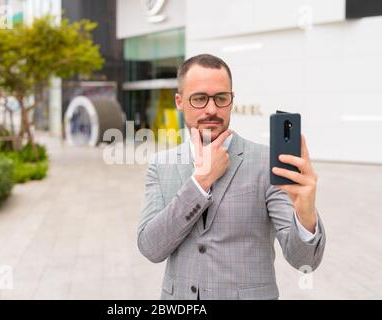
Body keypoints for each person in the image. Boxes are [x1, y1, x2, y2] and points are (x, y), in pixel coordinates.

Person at [137, 54, 326, 300]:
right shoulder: (161, 166)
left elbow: (305, 261)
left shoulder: (266, 162)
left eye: (221, 98)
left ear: (232, 100)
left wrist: (306, 213)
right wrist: (200, 182)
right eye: (200, 99)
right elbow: (151, 248)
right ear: (180, 101)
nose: (212, 109)